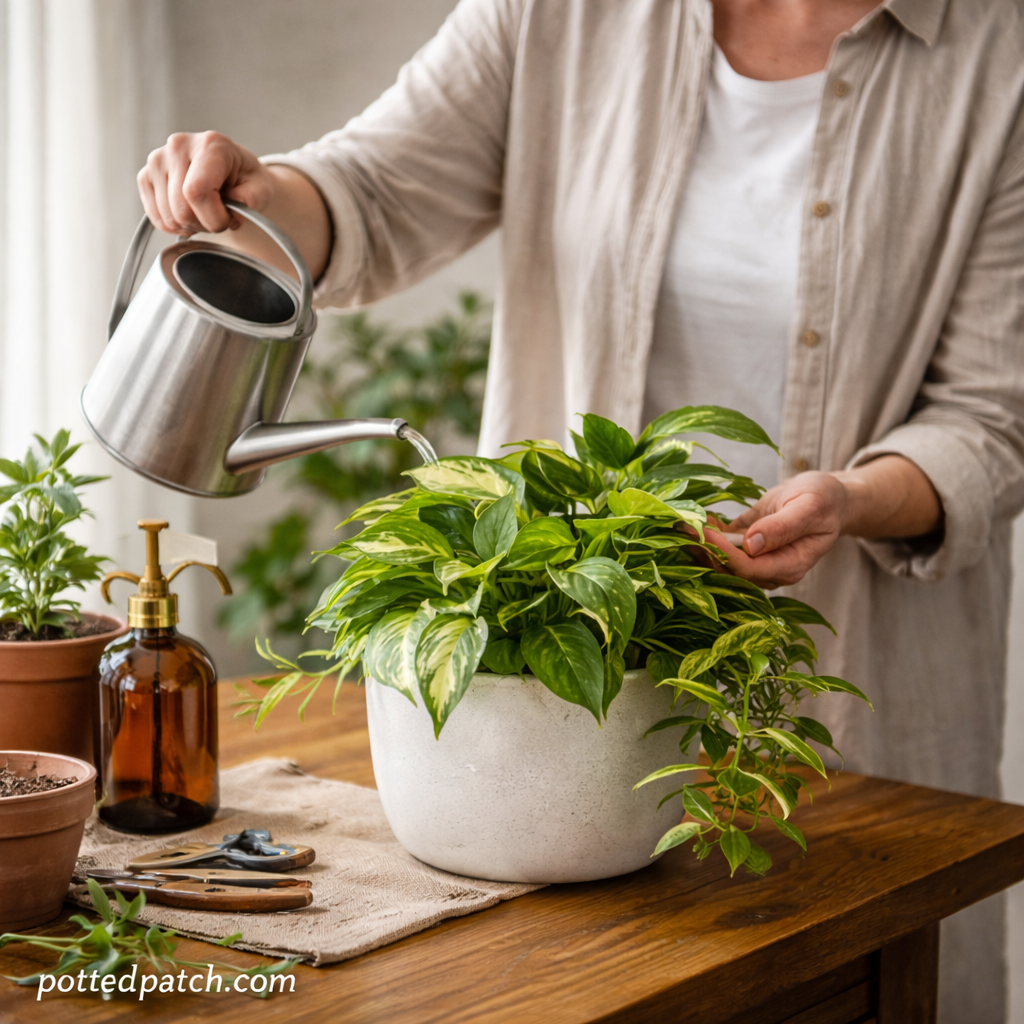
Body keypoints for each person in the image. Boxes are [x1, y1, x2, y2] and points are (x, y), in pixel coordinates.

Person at [137, 0, 1024, 1018]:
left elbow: (992, 416)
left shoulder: (996, 57)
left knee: (845, 973)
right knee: (571, 983)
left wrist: (853, 497)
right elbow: (371, 190)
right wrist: (252, 193)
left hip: (849, 683)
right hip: (560, 675)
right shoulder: (560, 13)